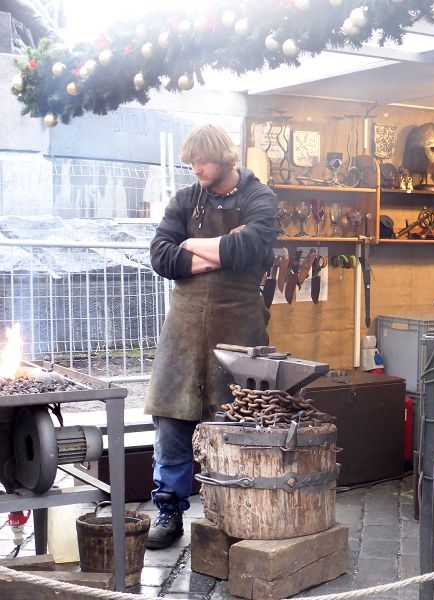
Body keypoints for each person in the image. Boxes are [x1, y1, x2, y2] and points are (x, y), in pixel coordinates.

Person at [144, 123, 278, 550]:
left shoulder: (259, 198)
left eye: (201, 161)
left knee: (236, 422)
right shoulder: (185, 199)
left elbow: (247, 249)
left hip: (239, 331)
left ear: (222, 157)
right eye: (191, 163)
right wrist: (217, 251)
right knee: (172, 421)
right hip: (182, 333)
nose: (195, 169)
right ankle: (169, 509)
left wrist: (190, 245)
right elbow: (161, 256)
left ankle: (235, 510)